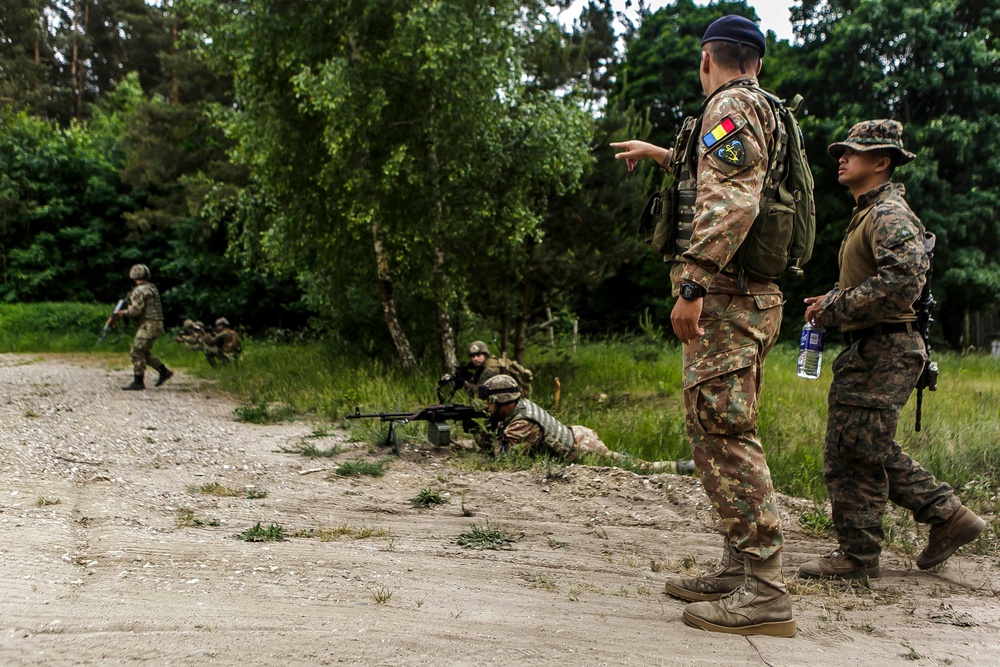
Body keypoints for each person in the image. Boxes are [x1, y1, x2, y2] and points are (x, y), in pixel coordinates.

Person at [610, 15, 794, 636]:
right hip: (746, 299)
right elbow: (725, 176)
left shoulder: (729, 109)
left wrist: (693, 283)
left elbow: (734, 199)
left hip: (725, 298)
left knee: (725, 433)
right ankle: (738, 568)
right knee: (718, 428)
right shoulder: (756, 106)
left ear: (708, 58)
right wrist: (661, 155)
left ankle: (765, 590)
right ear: (757, 61)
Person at [797, 120, 985, 581]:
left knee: (853, 451)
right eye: (842, 151)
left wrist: (836, 307)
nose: (842, 157)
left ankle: (858, 558)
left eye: (854, 152)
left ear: (881, 162)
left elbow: (903, 281)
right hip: (874, 346)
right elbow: (878, 280)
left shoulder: (888, 213)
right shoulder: (869, 213)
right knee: (861, 445)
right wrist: (832, 300)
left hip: (884, 348)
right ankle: (947, 516)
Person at [476, 375, 695, 475]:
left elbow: (506, 460)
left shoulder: (522, 423)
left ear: (503, 400)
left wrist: (485, 439)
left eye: (490, 402)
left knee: (638, 468)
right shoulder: (520, 406)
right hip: (578, 435)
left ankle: (685, 467)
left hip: (582, 449)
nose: (487, 406)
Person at [116, 264, 172, 390]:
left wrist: (122, 313)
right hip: (156, 323)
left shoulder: (139, 290)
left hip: (149, 324)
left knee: (136, 351)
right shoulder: (151, 288)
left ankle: (138, 381)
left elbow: (135, 311)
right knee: (142, 351)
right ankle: (163, 371)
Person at [439, 341, 503, 398]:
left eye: (478, 355)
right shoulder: (483, 365)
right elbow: (474, 382)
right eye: (473, 356)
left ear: (485, 355)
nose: (475, 358)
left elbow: (478, 393)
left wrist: (464, 382)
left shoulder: (490, 369)